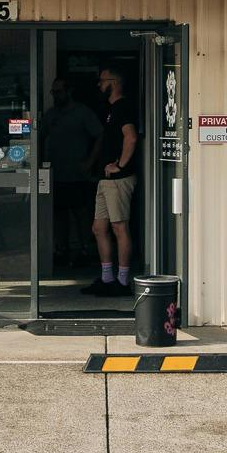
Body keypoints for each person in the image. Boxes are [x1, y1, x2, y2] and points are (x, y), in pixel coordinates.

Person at [83, 67, 139, 297]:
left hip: (119, 179)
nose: (99, 85)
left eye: (102, 81)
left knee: (119, 227)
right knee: (99, 228)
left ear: (114, 82)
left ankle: (123, 281)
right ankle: (107, 278)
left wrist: (121, 166)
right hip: (105, 180)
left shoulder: (123, 107)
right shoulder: (110, 109)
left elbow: (131, 137)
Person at [41, 77, 101, 262]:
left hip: (77, 173)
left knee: (80, 212)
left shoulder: (82, 113)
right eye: (53, 92)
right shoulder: (51, 115)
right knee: (59, 213)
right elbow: (40, 137)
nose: (55, 96)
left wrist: (90, 161)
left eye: (58, 92)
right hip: (55, 173)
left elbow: (100, 135)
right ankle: (61, 249)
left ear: (69, 91)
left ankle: (84, 249)